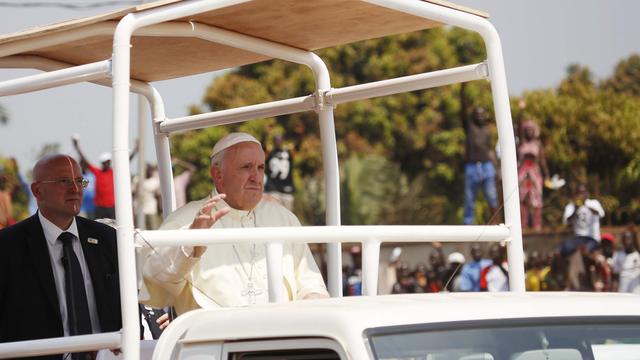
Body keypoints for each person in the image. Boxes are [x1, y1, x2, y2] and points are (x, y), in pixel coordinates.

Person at [141, 132, 328, 314]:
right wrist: (190, 245)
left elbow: (309, 283)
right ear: (218, 174)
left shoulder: (283, 219)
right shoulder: (187, 220)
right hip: (214, 341)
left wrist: (313, 301)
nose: (256, 176)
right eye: (246, 167)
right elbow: (155, 281)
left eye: (261, 168)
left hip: (283, 338)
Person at [0, 154, 121, 359]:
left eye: (79, 181)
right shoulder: (8, 246)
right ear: (37, 191)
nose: (75, 189)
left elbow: (126, 306)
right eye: (64, 181)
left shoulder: (107, 238)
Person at [72, 136, 137, 219]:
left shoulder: (114, 172)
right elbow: (85, 161)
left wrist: (135, 150)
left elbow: (126, 162)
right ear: (102, 163)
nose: (106, 164)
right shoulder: (97, 172)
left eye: (108, 162)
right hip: (99, 207)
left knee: (113, 228)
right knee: (99, 229)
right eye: (105, 162)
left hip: (112, 207)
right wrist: (77, 147)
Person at [463, 107, 499, 225]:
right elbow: (463, 108)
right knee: (469, 200)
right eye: (477, 114)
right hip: (472, 167)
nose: (480, 116)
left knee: (492, 197)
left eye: (482, 114)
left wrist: (496, 169)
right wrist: (462, 90)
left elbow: (490, 150)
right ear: (473, 116)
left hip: (487, 166)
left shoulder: (487, 131)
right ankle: (468, 229)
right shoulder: (469, 128)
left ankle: (495, 225)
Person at [517, 119, 549, 230]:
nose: (529, 132)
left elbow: (542, 160)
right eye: (527, 130)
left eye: (531, 130)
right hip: (523, 173)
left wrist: (547, 175)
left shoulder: (538, 144)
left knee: (536, 200)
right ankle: (522, 225)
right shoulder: (520, 143)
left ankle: (537, 225)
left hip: (535, 173)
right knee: (522, 199)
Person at [560, 184, 605, 255]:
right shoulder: (571, 206)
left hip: (593, 238)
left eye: (583, 192)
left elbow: (600, 214)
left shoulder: (594, 203)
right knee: (564, 248)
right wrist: (576, 209)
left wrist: (585, 205)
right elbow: (567, 222)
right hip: (578, 238)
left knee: (585, 251)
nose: (581, 195)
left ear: (587, 193)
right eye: (579, 193)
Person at [264, 134, 295, 211]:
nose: (277, 142)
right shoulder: (270, 153)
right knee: (274, 215)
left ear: (282, 141)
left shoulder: (288, 153)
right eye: (276, 140)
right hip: (272, 190)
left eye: (279, 140)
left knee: (288, 216)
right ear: (273, 142)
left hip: (287, 189)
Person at [615, 229, 640, 294]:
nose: (626, 242)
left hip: (636, 293)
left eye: (629, 239)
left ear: (634, 240)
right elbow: (615, 274)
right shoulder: (618, 255)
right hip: (623, 293)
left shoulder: (638, 255)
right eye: (624, 239)